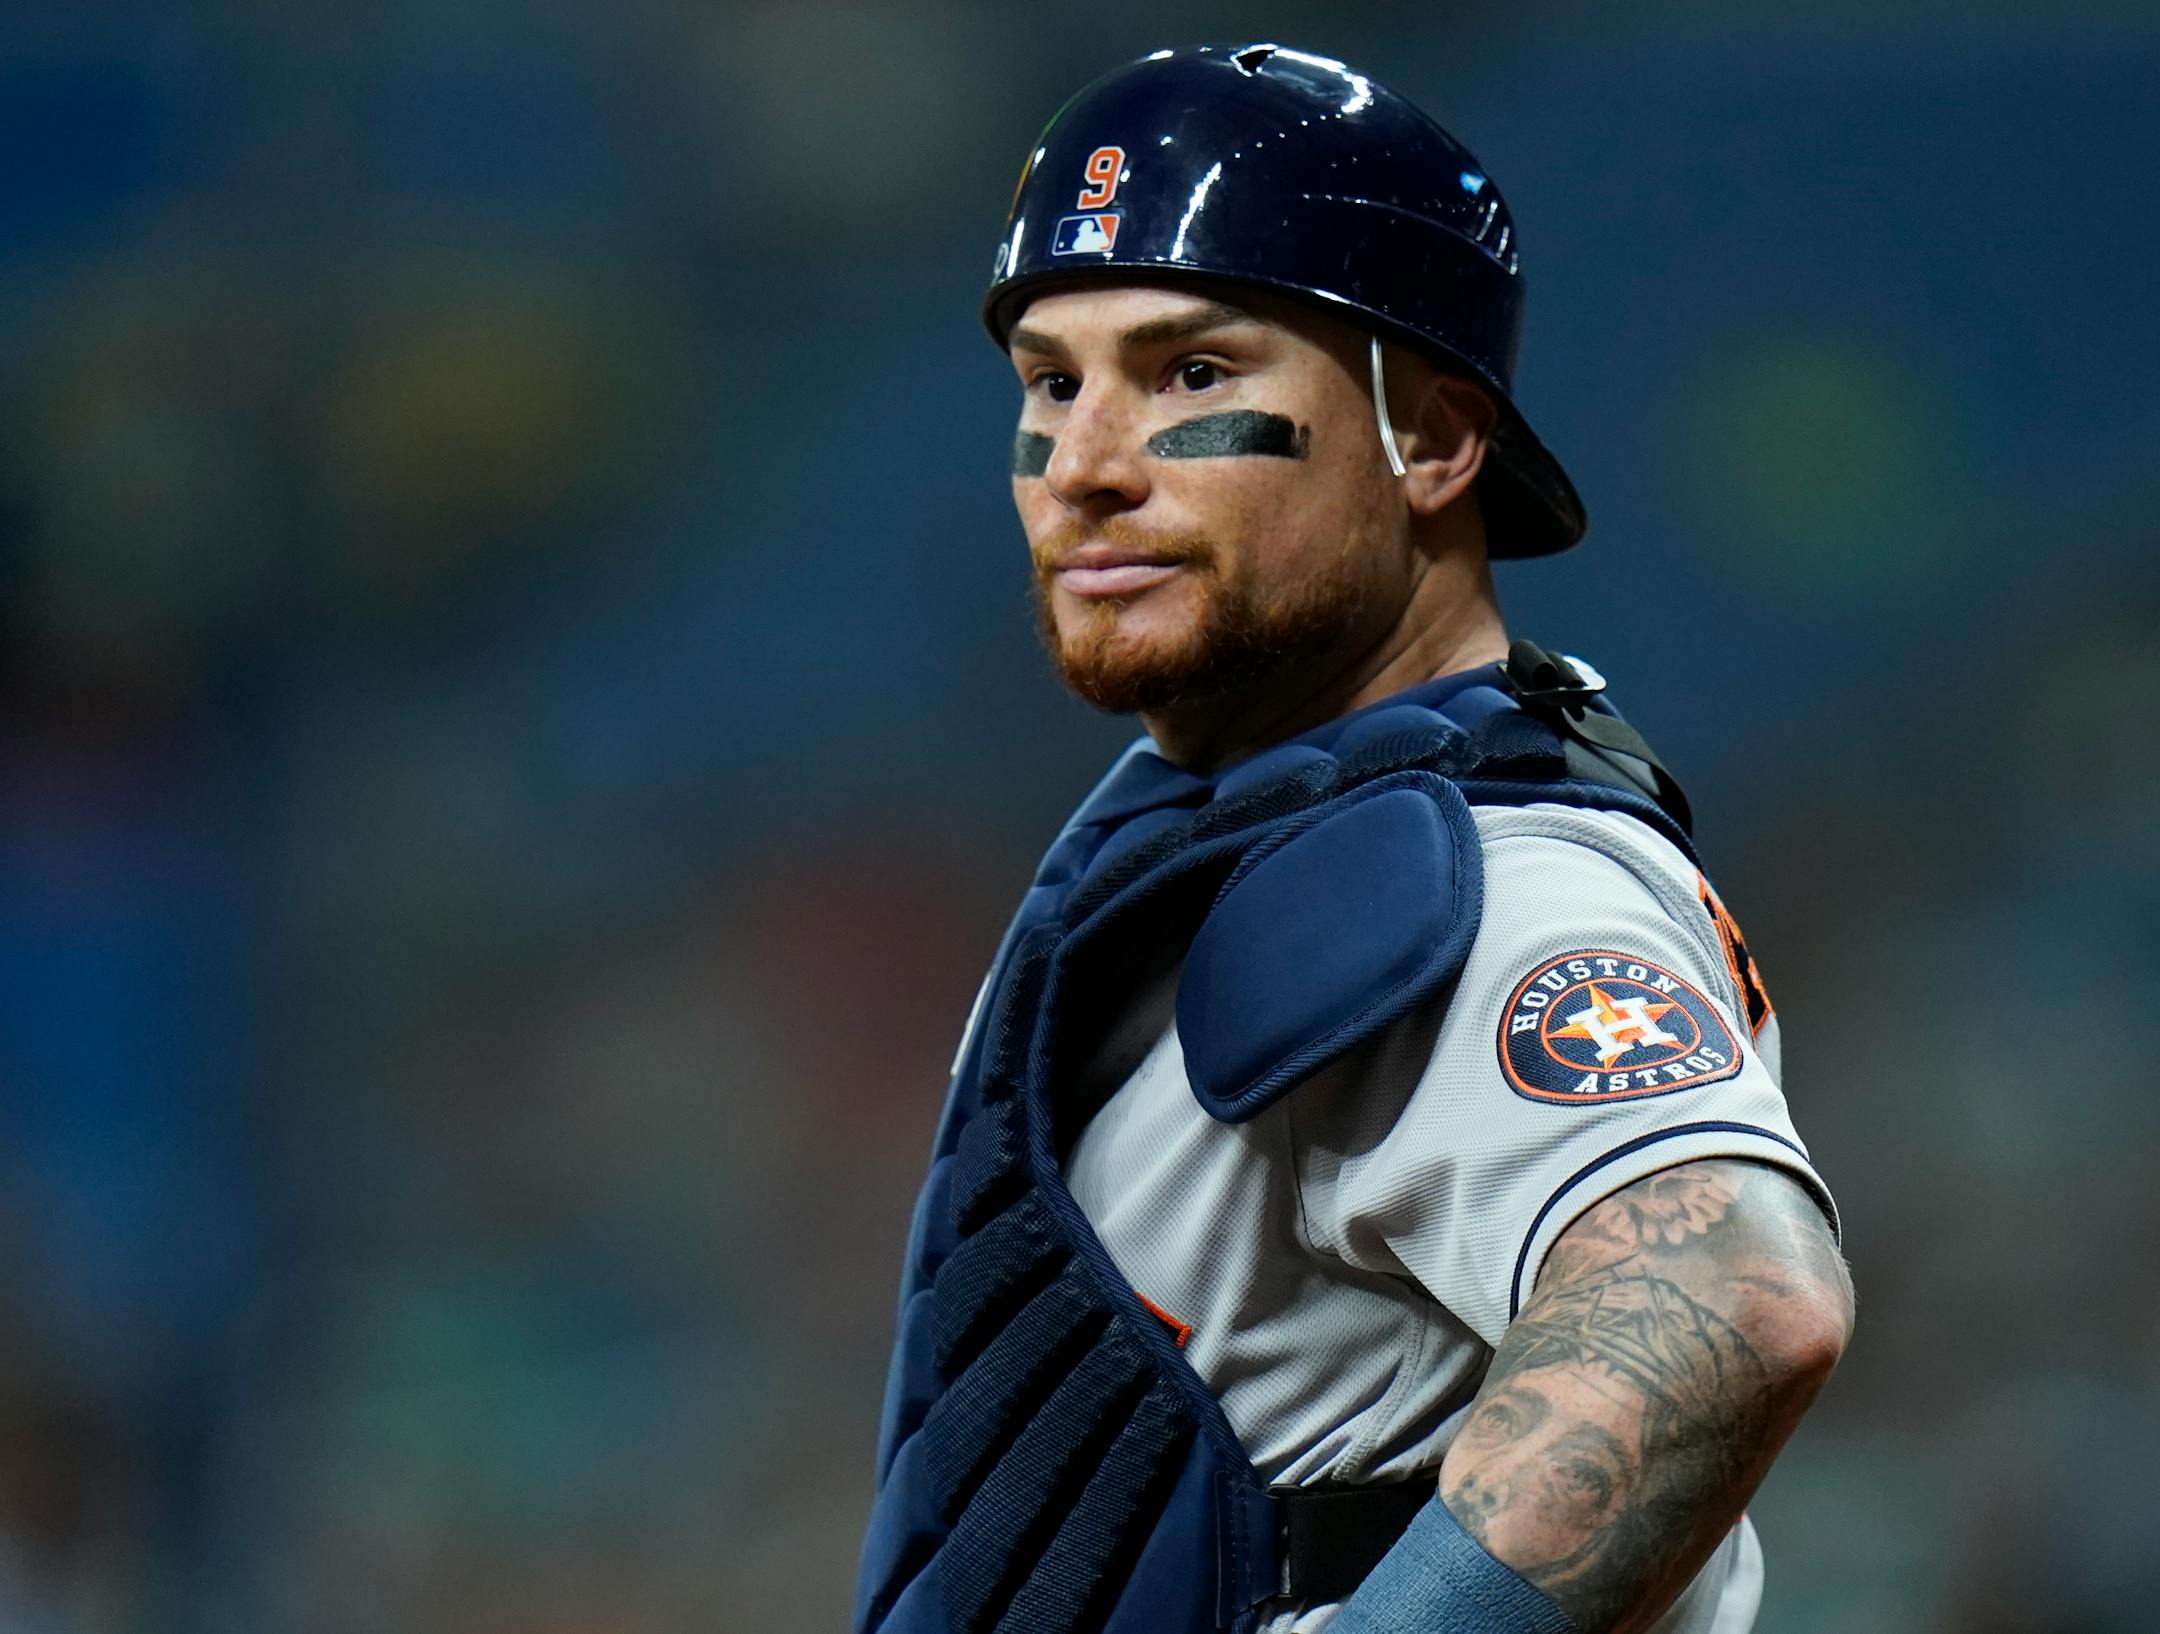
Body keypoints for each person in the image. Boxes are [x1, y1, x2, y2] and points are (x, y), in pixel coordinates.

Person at [856, 43, 1853, 1634]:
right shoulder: (1214, 835)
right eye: (1055, 380)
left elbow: (1733, 1300)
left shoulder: (1479, 884)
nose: (1091, 465)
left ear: (1437, 444)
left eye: (1195, 374)